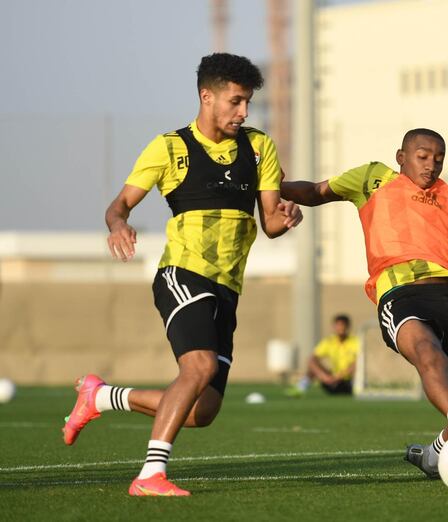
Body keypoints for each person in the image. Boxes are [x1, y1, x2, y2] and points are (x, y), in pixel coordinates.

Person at [61, 53, 302, 496]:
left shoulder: (259, 146)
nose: (244, 112)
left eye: (247, 102)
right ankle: (150, 475)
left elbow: (269, 222)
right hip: (183, 274)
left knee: (202, 410)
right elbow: (120, 205)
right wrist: (118, 224)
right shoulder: (169, 147)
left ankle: (100, 396)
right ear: (206, 97)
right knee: (200, 365)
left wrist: (287, 216)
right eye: (235, 102)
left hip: (228, 287)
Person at [281, 77, 448, 478]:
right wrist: (266, 186)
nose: (431, 164)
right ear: (401, 156)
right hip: (399, 295)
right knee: (430, 356)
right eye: (423, 156)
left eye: (438, 158)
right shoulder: (373, 179)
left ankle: (434, 454)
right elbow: (314, 190)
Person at [290, 314, 360, 396]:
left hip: (348, 382)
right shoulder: (329, 341)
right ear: (334, 326)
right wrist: (325, 377)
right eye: (338, 325)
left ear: (347, 327)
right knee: (313, 364)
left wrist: (339, 376)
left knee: (358, 363)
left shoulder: (355, 341)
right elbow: (312, 358)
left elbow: (358, 363)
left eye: (342, 325)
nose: (340, 328)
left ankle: (358, 389)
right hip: (331, 381)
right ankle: (300, 389)